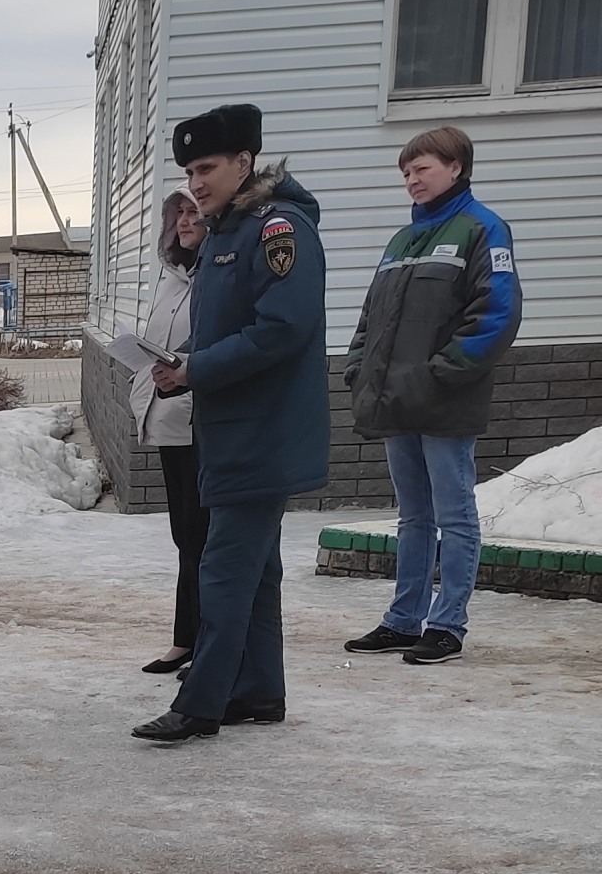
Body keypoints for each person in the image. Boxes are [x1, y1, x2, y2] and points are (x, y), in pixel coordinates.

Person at [135, 104, 327, 743]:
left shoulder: (277, 229)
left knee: (221, 571)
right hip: (230, 428)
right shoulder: (227, 229)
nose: (196, 181)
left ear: (245, 161)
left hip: (259, 432)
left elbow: (281, 328)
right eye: (188, 170)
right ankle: (257, 690)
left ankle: (200, 703)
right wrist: (187, 365)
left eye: (207, 167)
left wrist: (197, 370)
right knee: (257, 572)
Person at [342, 126, 522, 666]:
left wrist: (442, 374)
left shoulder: (483, 229)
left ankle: (447, 625)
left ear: (456, 168)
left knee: (455, 515)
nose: (411, 180)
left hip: (445, 401)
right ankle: (403, 620)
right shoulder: (402, 241)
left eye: (422, 169)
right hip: (397, 400)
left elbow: (497, 313)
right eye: (406, 172)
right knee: (413, 517)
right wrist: (357, 366)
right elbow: (372, 316)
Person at [130, 187, 208, 676]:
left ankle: (209, 645)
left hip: (203, 421)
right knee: (185, 534)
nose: (183, 220)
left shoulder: (216, 276)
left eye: (193, 211)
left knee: (203, 536)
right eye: (177, 212)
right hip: (168, 416)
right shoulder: (172, 280)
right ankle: (186, 638)